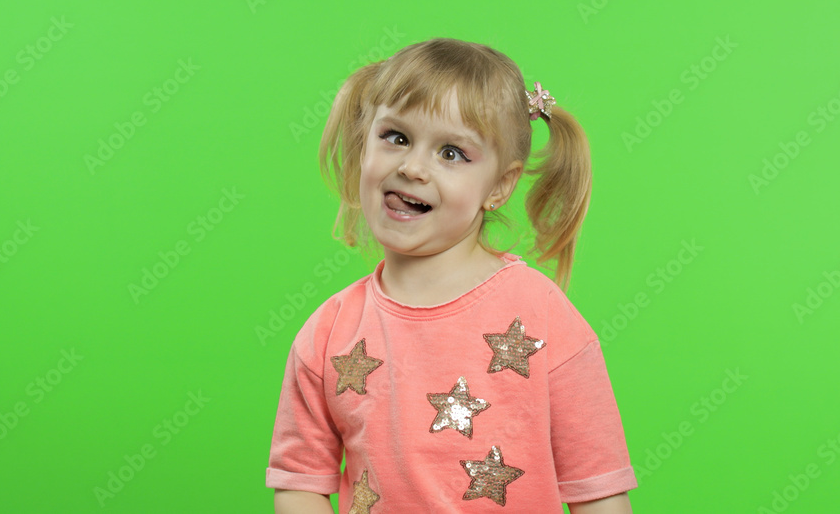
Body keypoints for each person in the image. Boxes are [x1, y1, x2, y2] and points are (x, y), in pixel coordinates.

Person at [266, 38, 637, 513]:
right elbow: (300, 481)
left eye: (451, 153)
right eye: (396, 137)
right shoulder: (327, 334)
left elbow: (598, 488)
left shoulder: (542, 316)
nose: (412, 167)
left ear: (499, 186)